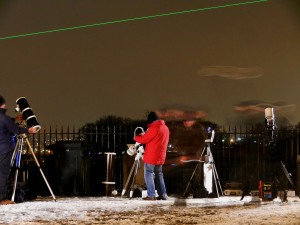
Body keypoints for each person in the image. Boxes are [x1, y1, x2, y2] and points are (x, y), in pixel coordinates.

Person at [0, 95, 38, 205]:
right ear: (2, 104)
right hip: (4, 149)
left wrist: (14, 119)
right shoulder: (4, 118)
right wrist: (29, 130)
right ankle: (2, 199)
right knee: (3, 174)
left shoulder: (5, 119)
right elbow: (16, 130)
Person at [134, 111, 170, 200]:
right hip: (160, 155)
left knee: (148, 173)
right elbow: (155, 138)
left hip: (152, 155)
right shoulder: (165, 128)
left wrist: (136, 137)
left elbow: (145, 139)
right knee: (159, 174)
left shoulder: (154, 128)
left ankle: (151, 194)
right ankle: (163, 194)